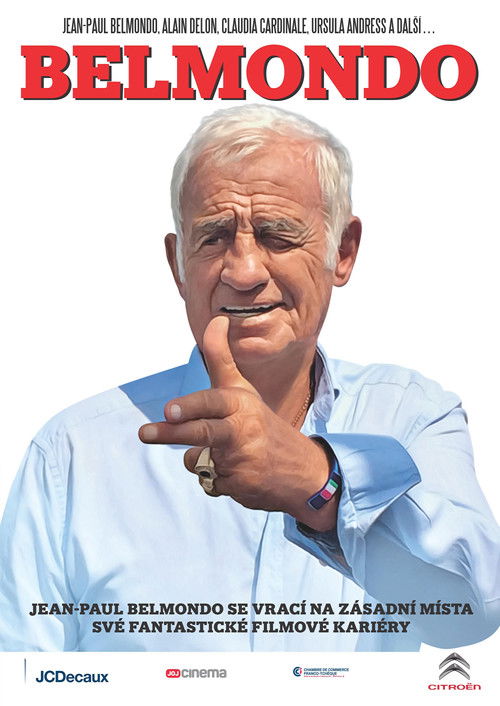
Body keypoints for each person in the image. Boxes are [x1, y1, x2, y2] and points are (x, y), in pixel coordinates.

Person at [0, 105, 498, 651]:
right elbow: (22, 674)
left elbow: (473, 614)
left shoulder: (411, 418)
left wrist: (317, 483)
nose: (243, 272)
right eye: (213, 238)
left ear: (343, 251)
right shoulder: (72, 456)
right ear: (178, 265)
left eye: (277, 236)